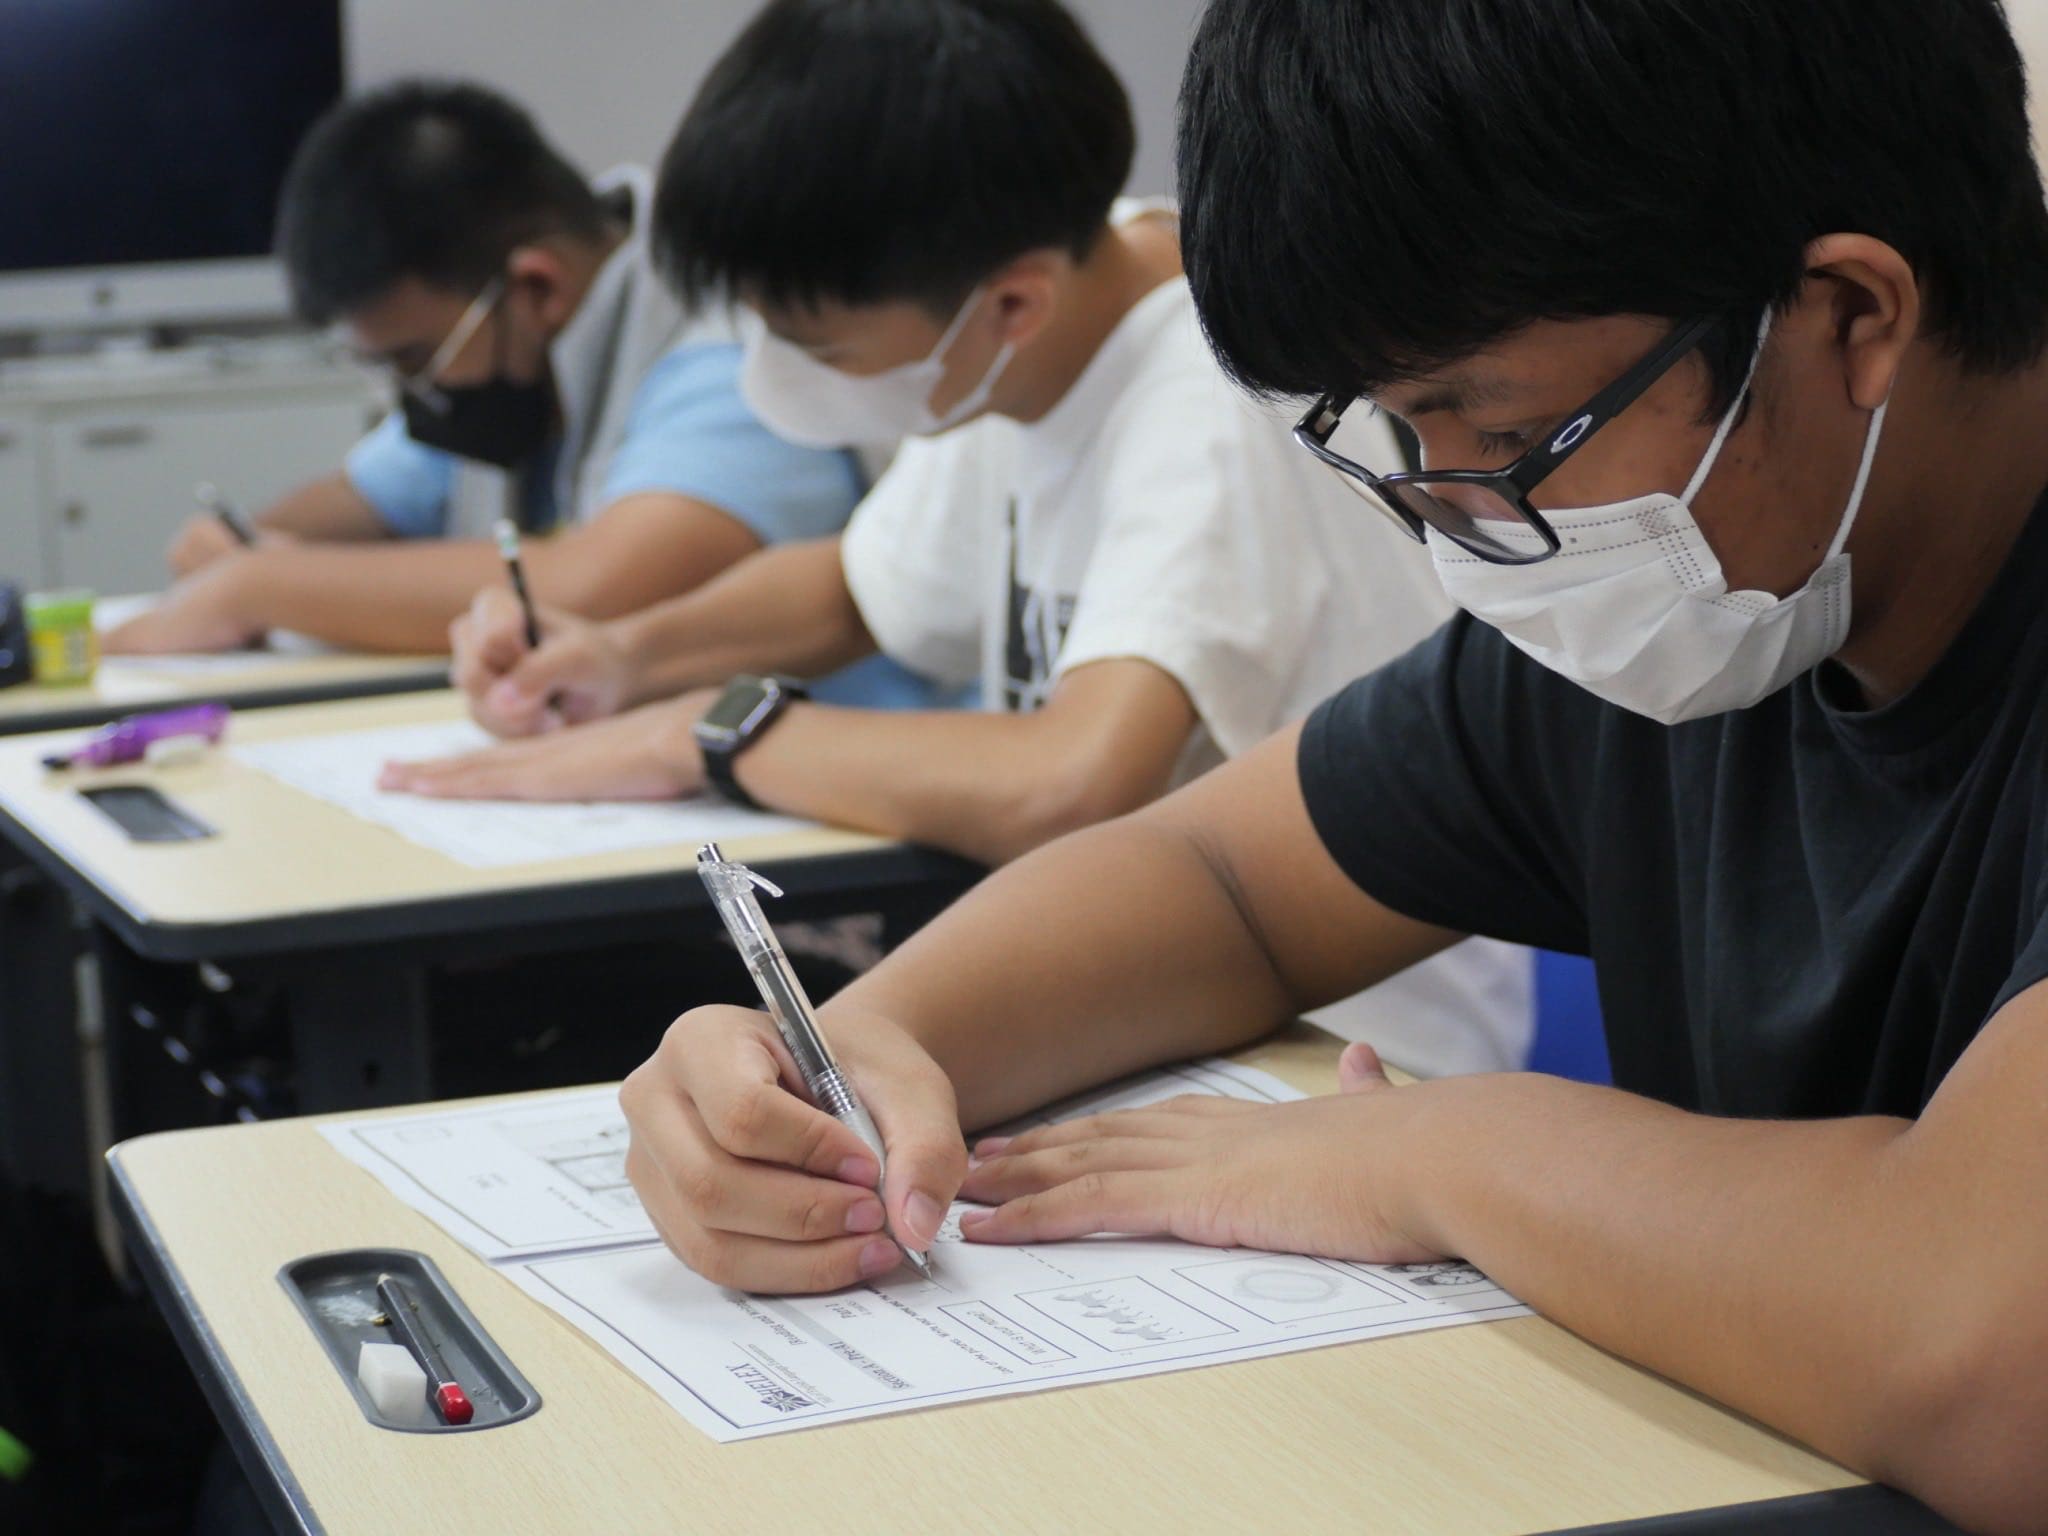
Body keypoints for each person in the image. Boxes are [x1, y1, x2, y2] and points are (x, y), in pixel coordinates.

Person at [610, 0, 2048, 1528]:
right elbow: (1222, 874)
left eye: (1498, 428)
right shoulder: (1721, 598)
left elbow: (1989, 1358)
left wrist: (1425, 1155)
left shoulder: (1719, 567)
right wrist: (865, 1052)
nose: (1459, 514)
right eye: (1400, 440)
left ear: (1851, 317)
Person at [383, 0, 1533, 1078]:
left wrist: (720, 734)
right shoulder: (1032, 322)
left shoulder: (1210, 400)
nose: (780, 380)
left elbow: (1075, 780)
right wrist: (618, 654)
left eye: (819, 350)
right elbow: (858, 587)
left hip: (1341, 1049)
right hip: (1150, 1000)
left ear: (1011, 307)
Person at [106, 80, 927, 711]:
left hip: (828, 829)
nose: (413, 393)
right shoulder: (502, 359)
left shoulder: (732, 355)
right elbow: (359, 500)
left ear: (536, 288)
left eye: (416, 357)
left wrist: (261, 584)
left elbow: (600, 589)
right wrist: (243, 546)